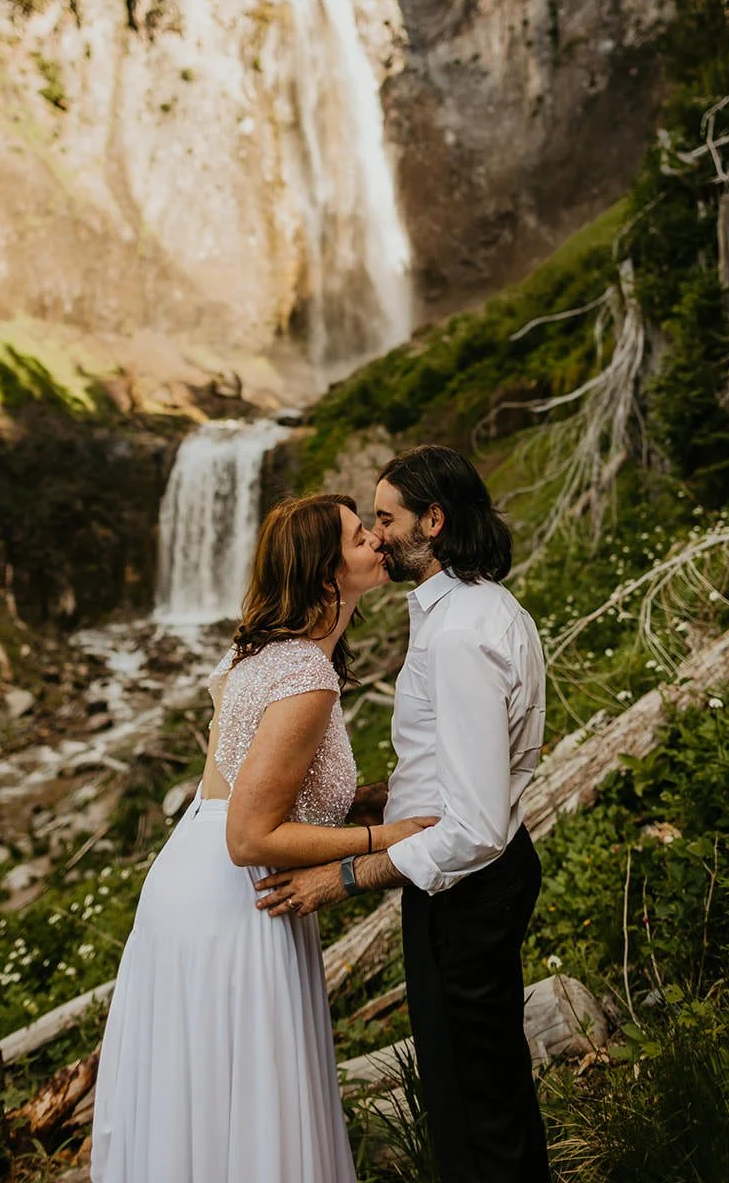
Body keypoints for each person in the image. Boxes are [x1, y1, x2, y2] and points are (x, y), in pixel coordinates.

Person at [90, 492, 434, 1183]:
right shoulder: (303, 675)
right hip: (234, 899)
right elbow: (250, 836)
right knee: (243, 1101)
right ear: (322, 571)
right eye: (356, 534)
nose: (375, 538)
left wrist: (366, 801)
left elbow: (258, 787)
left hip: (191, 878)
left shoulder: (265, 655)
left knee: (206, 1104)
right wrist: (386, 838)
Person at [257, 446, 550, 1183]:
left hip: (467, 890)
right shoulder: (475, 608)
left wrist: (346, 876)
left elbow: (476, 825)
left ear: (435, 521)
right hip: (478, 879)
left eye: (384, 519)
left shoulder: (456, 637)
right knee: (487, 1088)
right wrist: (384, 799)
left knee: (469, 1104)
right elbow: (463, 764)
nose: (377, 535)